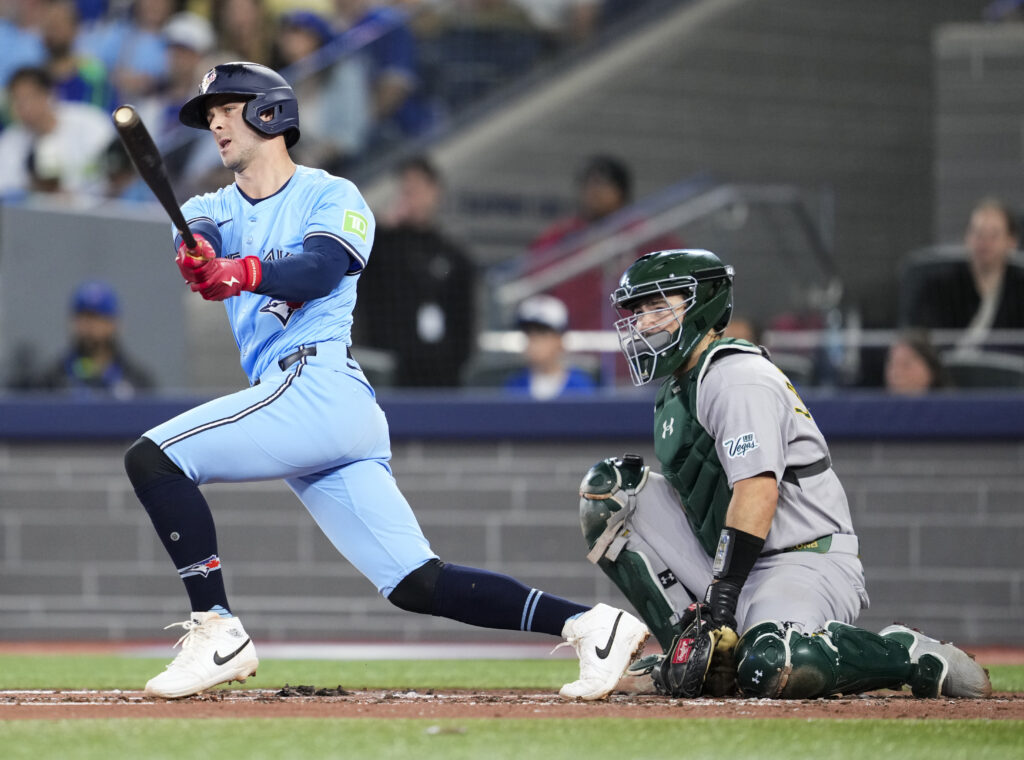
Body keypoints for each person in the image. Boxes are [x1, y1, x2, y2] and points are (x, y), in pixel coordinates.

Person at [123, 61, 648, 701]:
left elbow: (319, 268)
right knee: (416, 582)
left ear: (270, 114)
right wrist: (199, 255)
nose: (216, 124)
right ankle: (592, 623)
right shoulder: (213, 205)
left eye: (228, 109)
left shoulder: (333, 195)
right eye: (210, 116)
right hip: (307, 403)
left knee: (154, 459)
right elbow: (201, 233)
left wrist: (239, 272)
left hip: (316, 384)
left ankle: (218, 630)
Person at [576, 248, 991, 700]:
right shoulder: (678, 388)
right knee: (612, 493)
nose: (643, 323)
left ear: (702, 306)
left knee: (769, 665)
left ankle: (906, 655)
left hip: (803, 558)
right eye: (638, 311)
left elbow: (757, 491)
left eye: (658, 307)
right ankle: (694, 653)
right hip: (732, 563)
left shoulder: (736, 376)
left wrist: (721, 597)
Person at [356, 154, 476, 387]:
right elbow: (352, 265)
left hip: (443, 371)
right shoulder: (381, 245)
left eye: (419, 188)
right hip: (391, 370)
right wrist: (379, 229)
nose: (412, 196)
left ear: (435, 191)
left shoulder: (453, 254)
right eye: (407, 189)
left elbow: (465, 319)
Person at [526, 154, 679, 331]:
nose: (594, 192)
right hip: (573, 337)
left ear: (621, 191)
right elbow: (533, 276)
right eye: (588, 184)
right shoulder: (562, 236)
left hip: (636, 336)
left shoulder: (646, 234)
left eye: (603, 184)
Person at [903, 197, 1024, 345]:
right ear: (966, 237)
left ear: (1012, 241)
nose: (984, 242)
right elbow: (921, 345)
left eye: (993, 235)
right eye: (978, 233)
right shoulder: (938, 289)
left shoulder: (1019, 289)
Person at [14, 280, 154, 396]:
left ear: (115, 324)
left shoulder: (138, 381)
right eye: (82, 317)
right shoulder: (51, 380)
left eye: (96, 317)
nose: (88, 326)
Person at [0, 65, 114, 197]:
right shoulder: (11, 139)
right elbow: (5, 187)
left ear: (49, 94)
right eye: (17, 101)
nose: (24, 107)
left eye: (29, 97)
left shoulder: (91, 123)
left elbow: (111, 173)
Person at [504, 294, 597, 399]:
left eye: (542, 334)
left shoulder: (581, 385)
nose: (534, 341)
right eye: (529, 333)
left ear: (560, 340)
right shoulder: (515, 385)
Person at [40, 0, 117, 111]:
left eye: (58, 25)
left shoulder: (94, 76)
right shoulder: (36, 77)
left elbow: (104, 116)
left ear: (75, 28)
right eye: (48, 26)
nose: (53, 32)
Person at [884, 330, 949, 396]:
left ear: (931, 370)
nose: (896, 373)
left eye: (906, 364)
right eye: (892, 364)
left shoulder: (951, 403)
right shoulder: (878, 404)